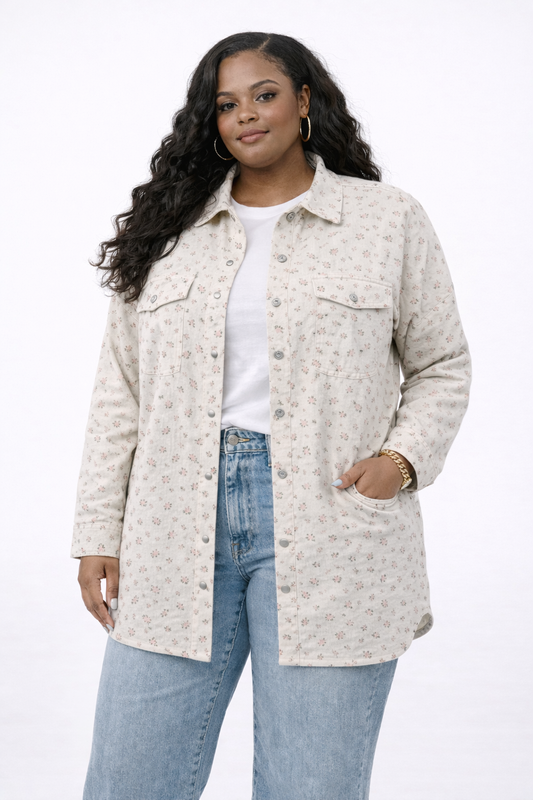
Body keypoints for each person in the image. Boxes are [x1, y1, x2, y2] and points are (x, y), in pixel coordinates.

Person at [72, 31, 471, 800]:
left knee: (310, 786)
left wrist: (400, 462)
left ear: (304, 101)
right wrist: (97, 530)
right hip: (170, 525)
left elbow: (441, 364)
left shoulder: (385, 220)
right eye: (227, 104)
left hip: (333, 524)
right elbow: (120, 390)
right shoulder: (171, 230)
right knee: (127, 781)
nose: (246, 115)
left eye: (264, 95)